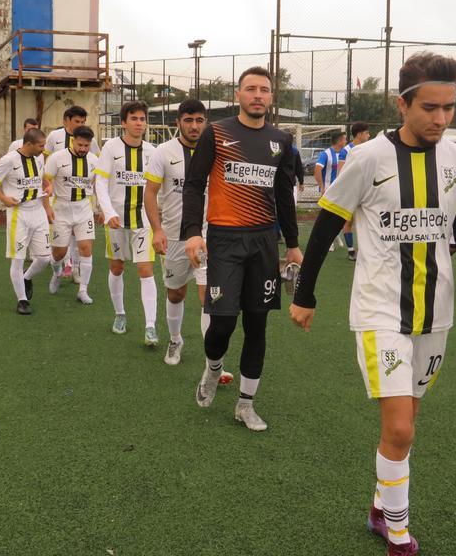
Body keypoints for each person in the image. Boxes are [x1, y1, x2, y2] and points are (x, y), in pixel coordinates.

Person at [289, 52, 456, 556]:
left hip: (435, 311)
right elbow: (327, 224)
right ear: (402, 105)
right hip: (380, 309)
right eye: (429, 107)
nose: (441, 118)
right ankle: (397, 530)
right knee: (399, 427)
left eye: (449, 108)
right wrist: (305, 293)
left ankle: (381, 505)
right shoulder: (367, 158)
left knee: (407, 427)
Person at [182, 66, 302, 432]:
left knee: (257, 324)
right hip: (225, 239)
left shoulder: (281, 140)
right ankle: (213, 367)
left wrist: (293, 245)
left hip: (264, 242)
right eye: (251, 89)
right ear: (238, 95)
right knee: (222, 323)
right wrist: (192, 232)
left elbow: (284, 196)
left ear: (271, 97)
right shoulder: (216, 133)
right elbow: (194, 184)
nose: (257, 95)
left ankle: (246, 404)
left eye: (264, 89)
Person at [144, 99, 212, 365]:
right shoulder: (163, 152)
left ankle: (212, 359)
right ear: (178, 122)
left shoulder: (216, 150)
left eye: (199, 120)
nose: (194, 126)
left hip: (207, 235)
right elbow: (150, 193)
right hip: (174, 235)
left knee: (208, 297)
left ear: (206, 122)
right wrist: (157, 230)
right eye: (188, 120)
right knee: (176, 294)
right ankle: (175, 339)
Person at [96, 100, 159, 345]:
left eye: (142, 119)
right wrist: (108, 211)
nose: (139, 123)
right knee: (117, 268)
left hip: (143, 221)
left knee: (145, 270)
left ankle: (151, 326)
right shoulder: (111, 147)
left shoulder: (152, 152)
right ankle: (120, 314)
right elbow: (101, 182)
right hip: (116, 221)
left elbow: (158, 187)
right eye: (134, 118)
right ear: (124, 122)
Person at [0, 128, 54, 315]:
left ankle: (27, 278)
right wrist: (3, 198)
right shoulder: (9, 160)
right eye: (41, 146)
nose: (44, 149)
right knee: (18, 259)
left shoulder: (39, 158)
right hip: (18, 214)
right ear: (29, 144)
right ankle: (22, 300)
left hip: (38, 211)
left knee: (44, 259)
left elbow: (43, 179)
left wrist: (48, 187)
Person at [44, 125, 103, 305]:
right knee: (59, 253)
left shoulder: (94, 161)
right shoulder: (57, 158)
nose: (83, 149)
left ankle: (83, 290)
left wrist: (101, 209)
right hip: (61, 209)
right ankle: (57, 273)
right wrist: (46, 207)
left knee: (86, 249)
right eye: (80, 145)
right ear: (73, 141)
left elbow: (97, 185)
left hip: (84, 209)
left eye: (86, 145)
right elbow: (44, 181)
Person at [338, 121, 371, 260]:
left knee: (367, 221)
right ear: (359, 134)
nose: (369, 136)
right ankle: (351, 251)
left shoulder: (369, 148)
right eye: (367, 133)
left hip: (367, 192)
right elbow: (341, 172)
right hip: (351, 192)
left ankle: (365, 250)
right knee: (349, 221)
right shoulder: (346, 150)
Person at [315, 131, 347, 252]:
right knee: (328, 217)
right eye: (344, 139)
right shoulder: (326, 154)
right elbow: (317, 170)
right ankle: (329, 242)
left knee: (338, 216)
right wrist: (322, 187)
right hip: (328, 191)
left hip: (340, 191)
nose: (346, 141)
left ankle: (335, 236)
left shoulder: (344, 154)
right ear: (339, 141)